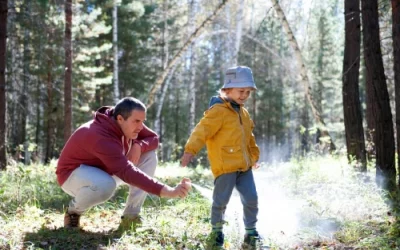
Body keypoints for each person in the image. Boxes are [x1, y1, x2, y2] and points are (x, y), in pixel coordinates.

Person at [57, 97, 191, 229]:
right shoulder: (100, 136)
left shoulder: (124, 121)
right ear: (120, 119)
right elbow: (127, 172)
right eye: (137, 121)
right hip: (72, 175)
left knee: (149, 156)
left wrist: (139, 146)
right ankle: (73, 212)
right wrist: (168, 191)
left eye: (142, 121)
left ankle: (131, 215)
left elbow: (153, 138)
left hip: (107, 169)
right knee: (105, 185)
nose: (140, 127)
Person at [181, 66, 261, 248]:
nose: (244, 96)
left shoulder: (244, 113)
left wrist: (254, 157)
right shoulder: (218, 111)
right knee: (220, 201)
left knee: (251, 198)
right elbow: (201, 131)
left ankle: (251, 232)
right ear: (227, 90)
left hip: (244, 167)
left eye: (248, 92)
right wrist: (190, 150)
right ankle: (217, 231)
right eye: (241, 91)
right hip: (225, 167)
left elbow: (249, 138)